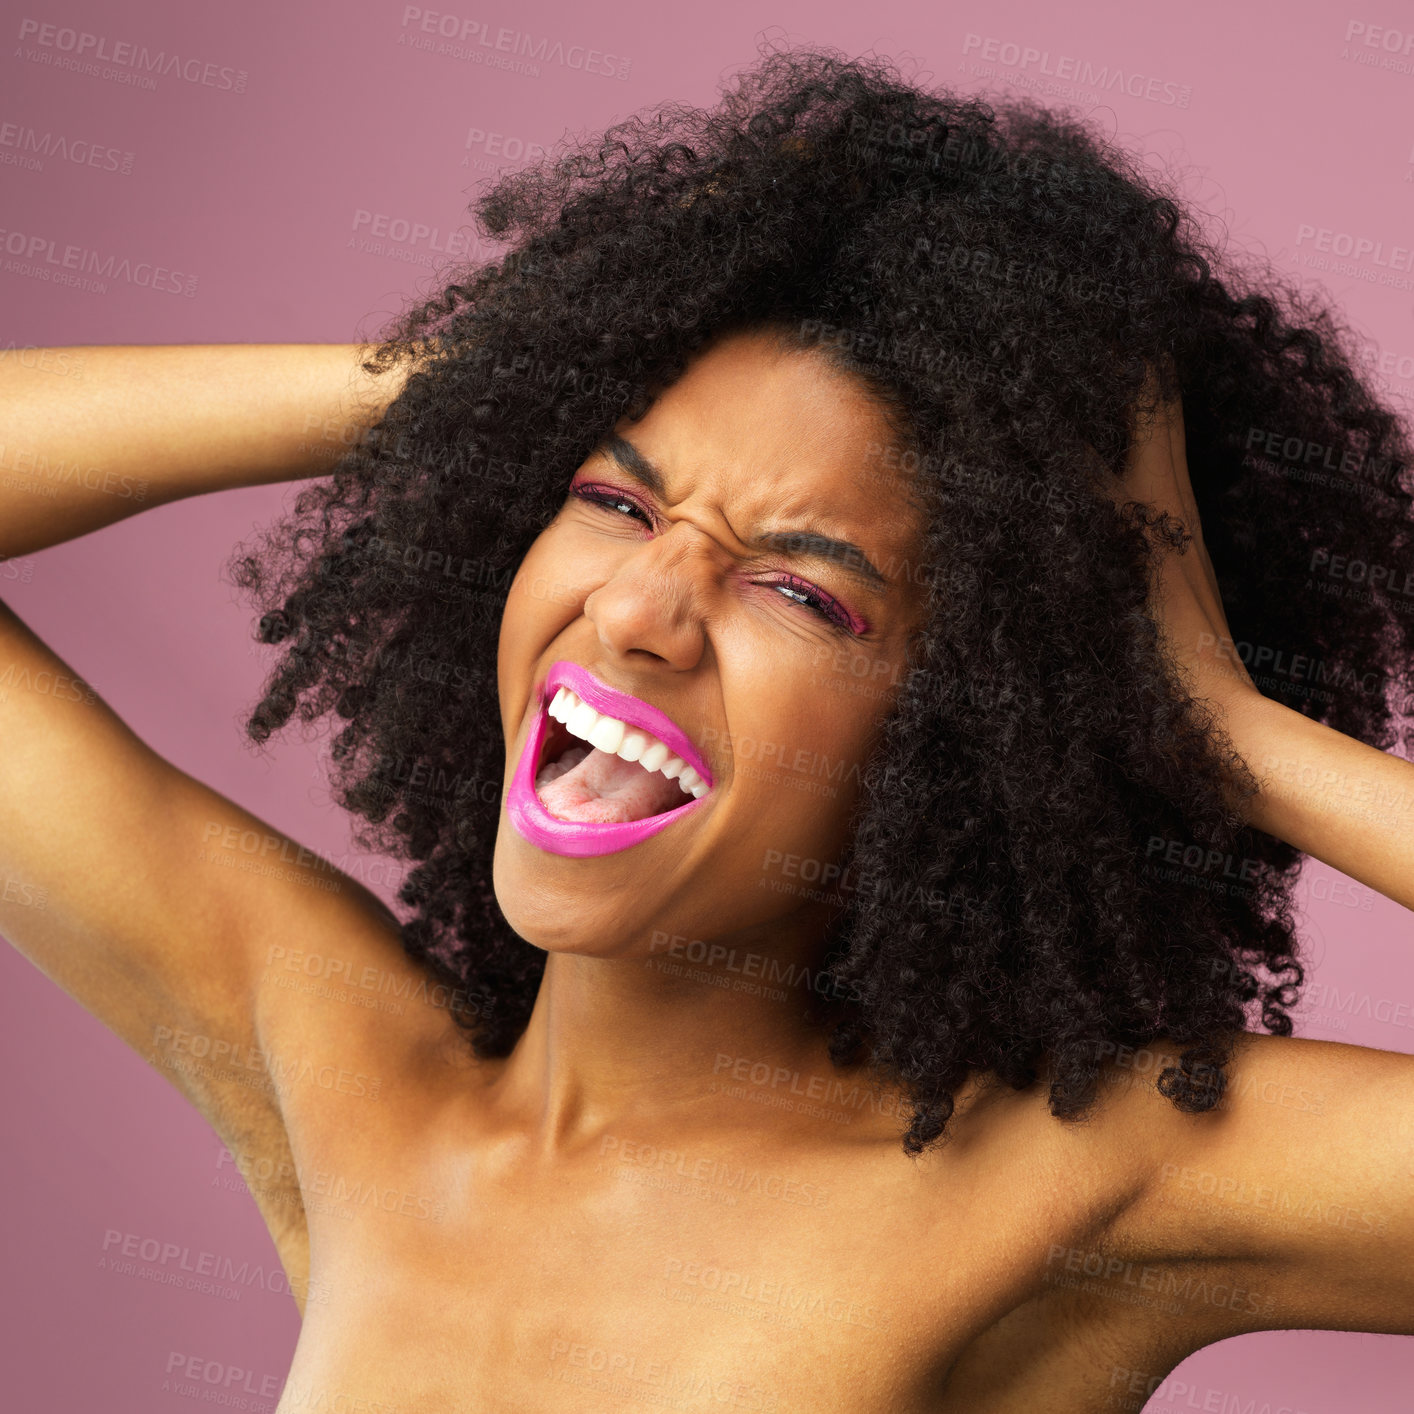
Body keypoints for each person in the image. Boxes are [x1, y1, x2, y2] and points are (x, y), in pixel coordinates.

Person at [5, 41, 1414, 1414]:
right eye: (614, 502)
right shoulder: (351, 1081)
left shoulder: (1073, 1183)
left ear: (973, 735)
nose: (638, 607)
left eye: (799, 587)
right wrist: (490, 390)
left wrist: (1220, 733)